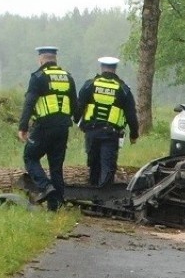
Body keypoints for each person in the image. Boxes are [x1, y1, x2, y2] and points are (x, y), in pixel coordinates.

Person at [18, 46, 78, 211]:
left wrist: (23, 126)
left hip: (44, 126)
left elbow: (29, 102)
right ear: (55, 59)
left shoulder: (38, 77)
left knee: (30, 156)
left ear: (41, 59)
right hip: (63, 127)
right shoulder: (68, 78)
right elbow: (75, 104)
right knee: (56, 167)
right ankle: (56, 206)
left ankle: (45, 187)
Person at [75, 56, 139, 188]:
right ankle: (104, 197)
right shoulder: (123, 89)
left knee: (93, 164)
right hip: (111, 133)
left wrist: (79, 123)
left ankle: (93, 192)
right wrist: (134, 134)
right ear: (115, 69)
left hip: (91, 131)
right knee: (108, 166)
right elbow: (131, 114)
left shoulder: (90, 85)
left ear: (102, 68)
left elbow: (79, 107)